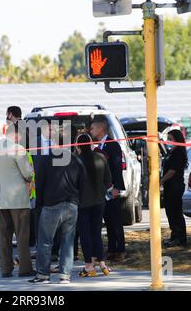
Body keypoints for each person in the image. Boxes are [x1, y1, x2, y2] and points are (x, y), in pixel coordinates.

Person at [29, 129, 85, 285]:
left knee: (45, 241)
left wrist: (39, 203)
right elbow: (83, 183)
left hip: (51, 205)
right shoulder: (76, 160)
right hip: (72, 204)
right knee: (68, 240)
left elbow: (39, 183)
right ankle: (65, 275)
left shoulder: (46, 160)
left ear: (54, 142)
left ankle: (43, 274)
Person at [0, 123, 35, 278]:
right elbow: (28, 173)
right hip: (18, 197)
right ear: (15, 135)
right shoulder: (18, 149)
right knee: (22, 235)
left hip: (1, 197)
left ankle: (6, 268)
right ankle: (25, 268)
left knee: (4, 236)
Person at [90, 117, 126, 262]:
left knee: (115, 220)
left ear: (101, 129)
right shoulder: (100, 145)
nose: (91, 131)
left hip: (112, 189)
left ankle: (120, 249)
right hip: (102, 190)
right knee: (108, 220)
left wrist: (117, 187)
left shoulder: (112, 145)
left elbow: (117, 168)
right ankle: (112, 249)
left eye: (93, 128)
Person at [76, 134, 112, 277]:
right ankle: (102, 263)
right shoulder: (101, 158)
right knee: (96, 232)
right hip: (99, 201)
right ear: (91, 144)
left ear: (78, 146)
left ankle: (89, 266)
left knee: (85, 234)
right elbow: (108, 181)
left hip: (82, 203)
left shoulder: (76, 161)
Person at [161, 129, 188, 247]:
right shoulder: (172, 151)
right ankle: (174, 236)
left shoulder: (178, 152)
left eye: (171, 139)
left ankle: (180, 237)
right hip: (169, 186)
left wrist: (160, 181)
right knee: (170, 212)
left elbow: (172, 171)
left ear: (177, 139)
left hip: (175, 186)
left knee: (175, 211)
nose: (169, 141)